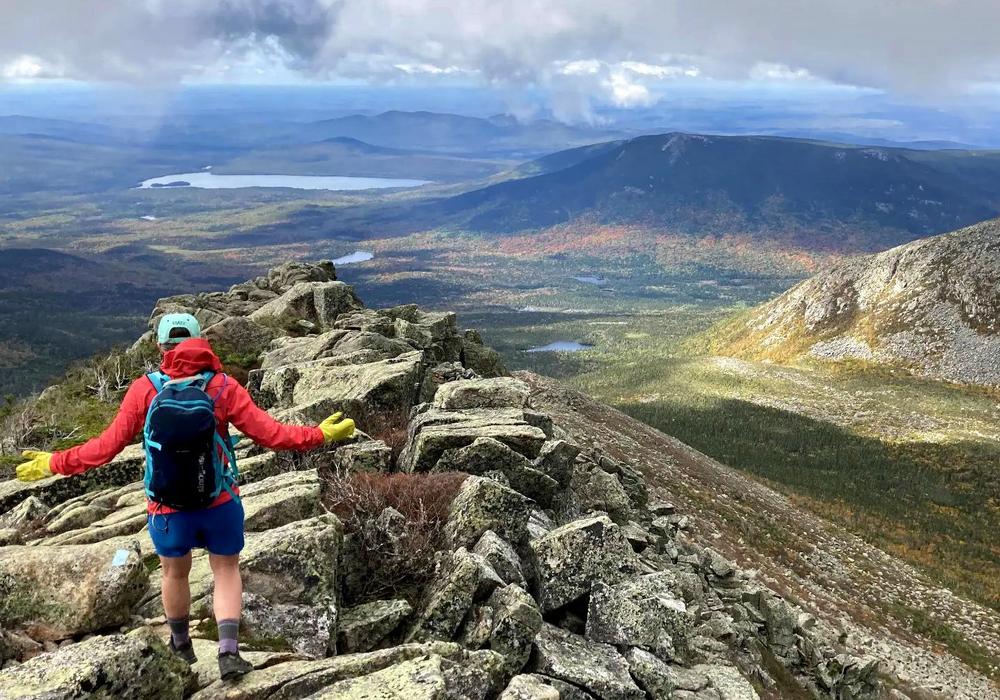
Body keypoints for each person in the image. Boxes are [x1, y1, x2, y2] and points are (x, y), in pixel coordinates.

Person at [15, 313, 355, 681]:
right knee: (225, 570)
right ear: (200, 342)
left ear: (160, 347)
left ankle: (181, 645)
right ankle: (228, 653)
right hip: (220, 502)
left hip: (166, 509)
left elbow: (104, 448)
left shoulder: (145, 390)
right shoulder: (224, 386)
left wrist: (54, 462)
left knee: (174, 573)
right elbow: (271, 434)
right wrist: (319, 434)